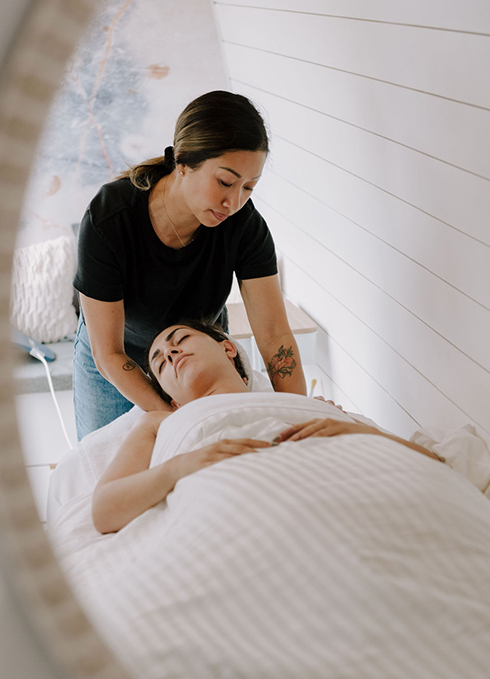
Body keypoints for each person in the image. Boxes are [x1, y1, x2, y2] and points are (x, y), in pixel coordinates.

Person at [73, 90, 307, 441]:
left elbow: (274, 335)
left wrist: (300, 417)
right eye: (225, 182)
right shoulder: (110, 219)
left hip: (199, 355)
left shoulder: (244, 225)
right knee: (109, 467)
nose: (234, 202)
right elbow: (108, 353)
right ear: (182, 162)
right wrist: (178, 419)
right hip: (117, 355)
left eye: (249, 188)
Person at [92, 321, 444, 535]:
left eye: (179, 340)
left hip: (349, 494)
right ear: (173, 402)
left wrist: (360, 432)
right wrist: (180, 466)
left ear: (228, 347)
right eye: (160, 362)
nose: (169, 353)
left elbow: (434, 464)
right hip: (235, 509)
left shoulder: (306, 407)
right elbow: (104, 511)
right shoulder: (161, 423)